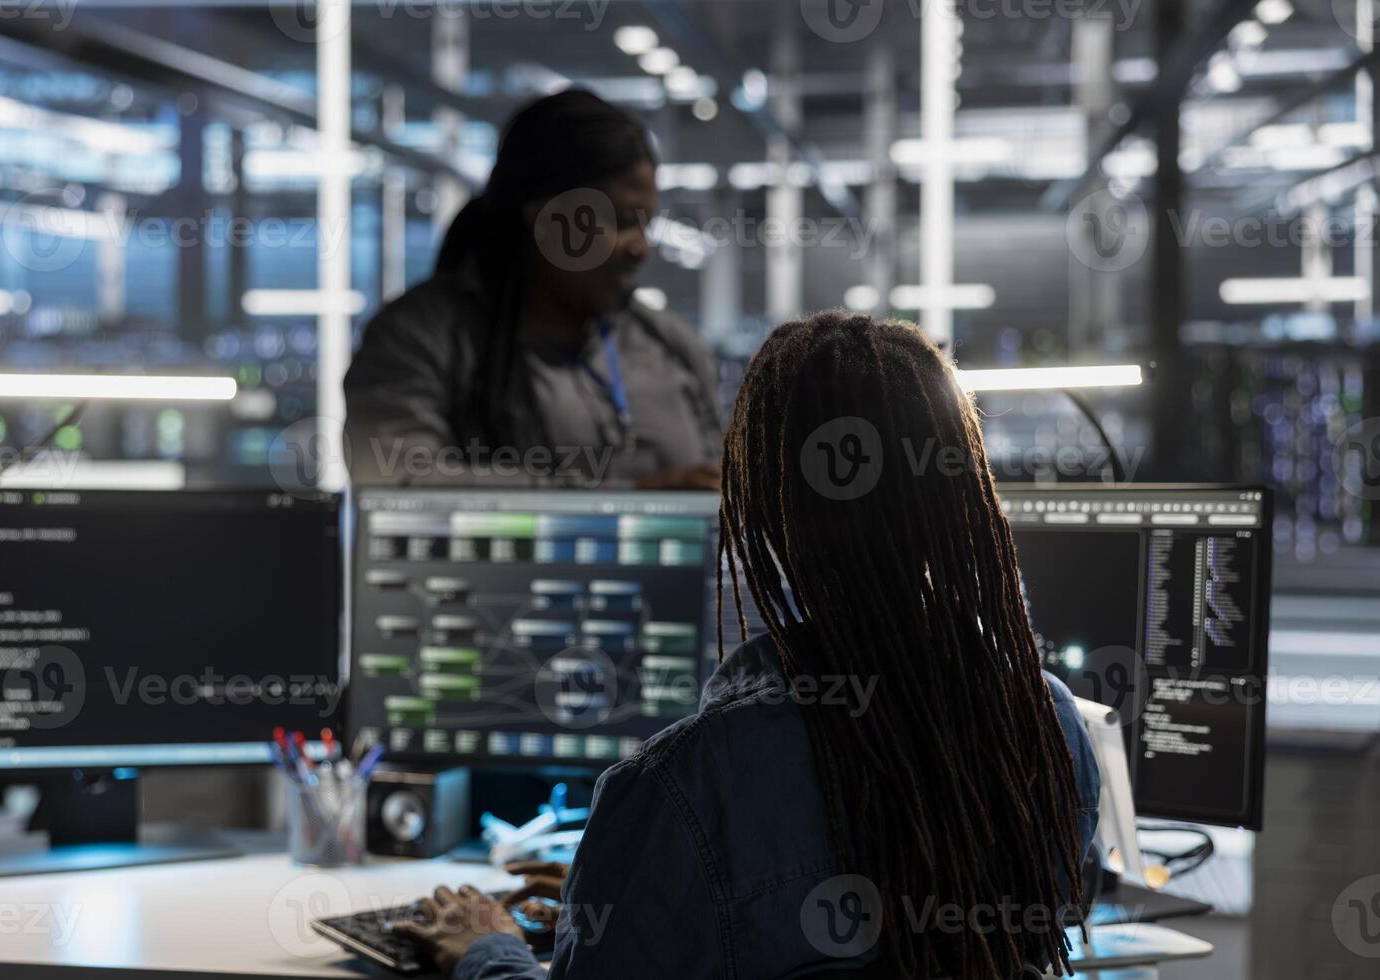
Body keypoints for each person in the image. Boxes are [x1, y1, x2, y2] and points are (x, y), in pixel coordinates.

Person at [393, 313, 1102, 979]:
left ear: (762, 513)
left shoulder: (683, 789)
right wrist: (619, 881)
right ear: (962, 499)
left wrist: (486, 946)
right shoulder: (1048, 732)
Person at [344, 89, 721, 489]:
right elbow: (396, 484)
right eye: (622, 221)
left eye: (646, 225)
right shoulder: (420, 339)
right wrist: (628, 499)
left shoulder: (669, 345)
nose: (640, 248)